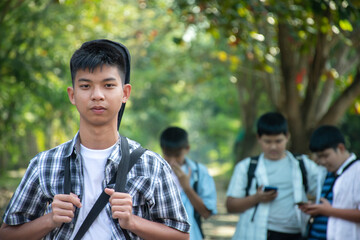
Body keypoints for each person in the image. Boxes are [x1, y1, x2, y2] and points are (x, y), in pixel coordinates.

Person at [0, 39, 190, 240]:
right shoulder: (44, 164)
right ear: (72, 95)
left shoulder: (152, 165)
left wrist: (133, 222)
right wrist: (50, 220)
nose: (97, 95)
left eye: (108, 85)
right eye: (85, 86)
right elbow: (6, 234)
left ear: (125, 93)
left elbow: (182, 236)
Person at [226, 112, 324, 240]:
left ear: (287, 137)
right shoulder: (246, 167)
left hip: (296, 233)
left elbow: (323, 192)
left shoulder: (303, 164)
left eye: (278, 141)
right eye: (267, 141)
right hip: (260, 233)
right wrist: (256, 198)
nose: (273, 147)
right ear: (259, 138)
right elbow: (230, 205)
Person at [299, 125, 360, 240]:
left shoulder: (357, 171)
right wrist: (315, 209)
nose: (322, 161)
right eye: (319, 157)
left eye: (326, 156)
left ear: (341, 148)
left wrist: (329, 211)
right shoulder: (325, 174)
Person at [160, 126, 217, 240]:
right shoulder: (155, 171)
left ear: (187, 149)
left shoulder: (200, 172)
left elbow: (206, 213)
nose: (172, 161)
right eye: (167, 155)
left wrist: (187, 188)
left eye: (177, 155)